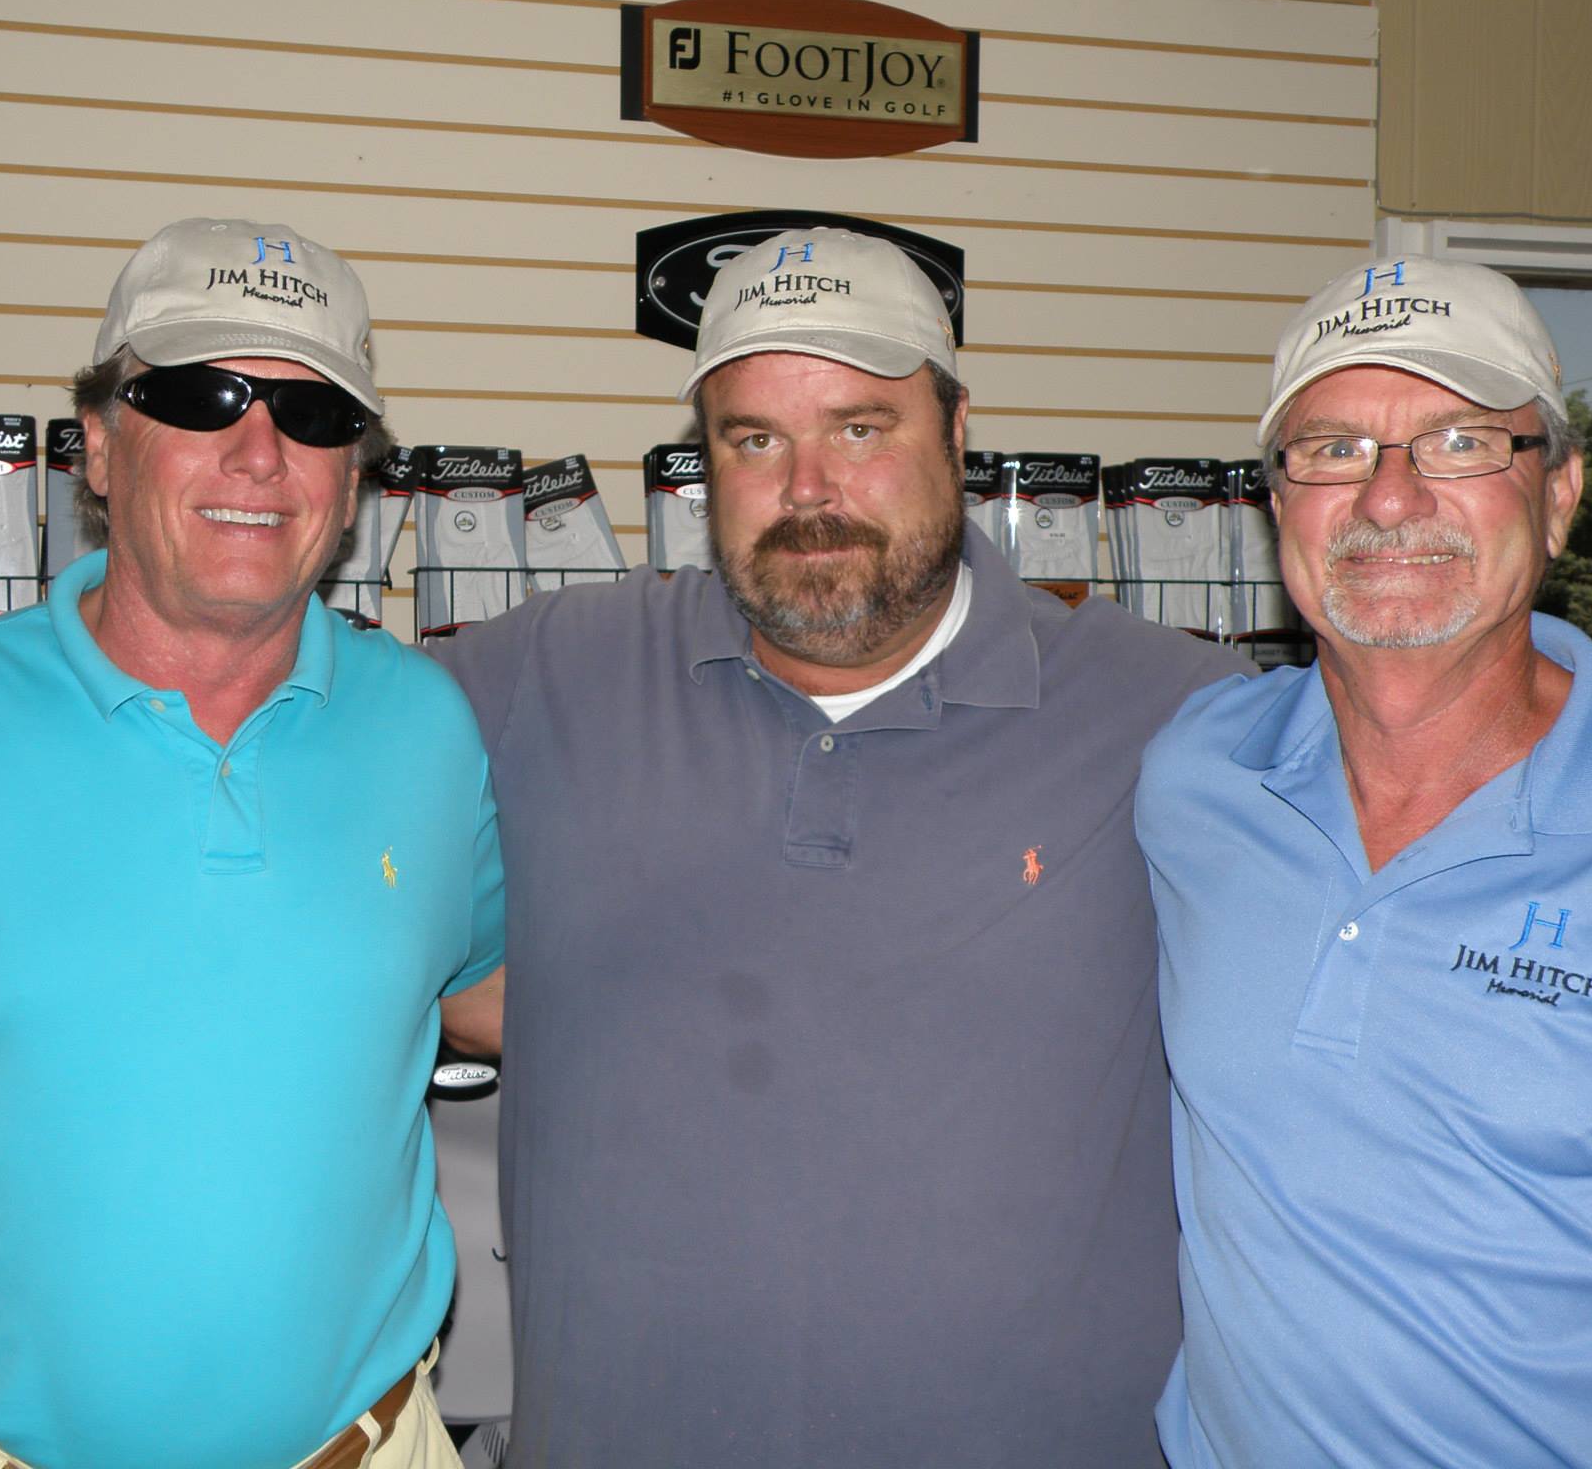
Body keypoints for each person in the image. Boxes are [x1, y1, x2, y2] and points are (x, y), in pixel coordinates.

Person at [436, 227, 1250, 1467]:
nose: (807, 488)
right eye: (754, 440)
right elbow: (289, 774)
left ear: (956, 431)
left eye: (860, 428)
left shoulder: (1175, 711)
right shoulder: (545, 673)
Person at [1138, 255, 1592, 1468]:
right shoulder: (1198, 778)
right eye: (1331, 450)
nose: (1387, 499)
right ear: (1276, 506)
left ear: (1558, 494)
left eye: (1460, 443)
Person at [0, 217, 506, 1468]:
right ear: (96, 442)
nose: (260, 453)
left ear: (352, 475)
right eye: (201, 397)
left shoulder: (426, 724)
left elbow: (490, 997)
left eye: (312, 415)